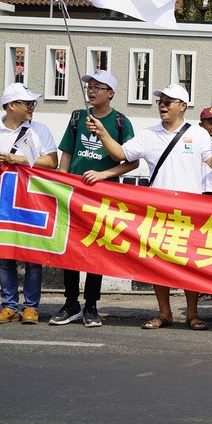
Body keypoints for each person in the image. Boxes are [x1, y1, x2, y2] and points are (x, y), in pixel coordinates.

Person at [87, 83, 212, 331]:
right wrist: (102, 133)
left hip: (190, 210)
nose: (162, 105)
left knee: (189, 263)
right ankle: (165, 313)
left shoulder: (198, 135)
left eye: (168, 101)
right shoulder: (148, 134)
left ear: (183, 106)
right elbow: (121, 153)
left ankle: (193, 313)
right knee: (158, 263)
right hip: (157, 211)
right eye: (160, 101)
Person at [51, 70, 139, 328]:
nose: (91, 91)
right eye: (89, 86)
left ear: (110, 93)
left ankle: (91, 305)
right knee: (70, 248)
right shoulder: (78, 117)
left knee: (94, 250)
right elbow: (67, 152)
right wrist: (62, 181)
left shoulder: (121, 122)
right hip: (74, 194)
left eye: (98, 87)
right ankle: (70, 303)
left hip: (103, 196)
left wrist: (102, 174)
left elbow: (131, 162)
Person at [0, 83, 59, 325]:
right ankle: (9, 305)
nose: (32, 107)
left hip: (31, 201)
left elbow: (52, 161)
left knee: (33, 256)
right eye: (27, 103)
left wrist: (19, 159)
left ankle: (31, 306)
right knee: (6, 256)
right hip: (4, 202)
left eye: (33, 103)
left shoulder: (39, 130)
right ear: (12, 106)